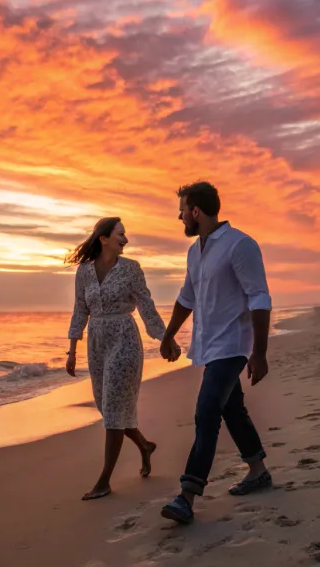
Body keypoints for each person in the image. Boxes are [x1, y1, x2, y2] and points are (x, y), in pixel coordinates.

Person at [159, 181, 272, 524]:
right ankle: (258, 470)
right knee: (231, 409)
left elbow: (259, 298)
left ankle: (187, 495)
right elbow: (186, 298)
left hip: (233, 345)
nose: (180, 217)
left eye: (182, 211)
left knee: (206, 410)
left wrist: (260, 353)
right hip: (209, 345)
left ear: (196, 211)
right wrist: (167, 336)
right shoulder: (195, 252)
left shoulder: (240, 245)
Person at [66, 217, 180, 500]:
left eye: (125, 234)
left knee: (115, 409)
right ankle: (143, 445)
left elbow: (146, 306)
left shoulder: (132, 269)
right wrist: (72, 350)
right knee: (109, 408)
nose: (126, 239)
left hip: (124, 339)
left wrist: (165, 338)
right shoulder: (84, 272)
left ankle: (104, 480)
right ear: (103, 238)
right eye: (121, 234)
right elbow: (80, 309)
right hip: (96, 341)